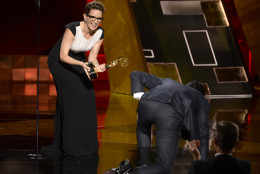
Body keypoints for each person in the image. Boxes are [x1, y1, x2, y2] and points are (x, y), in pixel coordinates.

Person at [105, 71, 211, 174]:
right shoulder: (200, 99)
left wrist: (141, 97)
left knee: (143, 127)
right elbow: (204, 137)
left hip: (145, 104)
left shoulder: (168, 81)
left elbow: (136, 74)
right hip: (168, 115)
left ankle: (143, 164)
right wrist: (203, 166)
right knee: (164, 166)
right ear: (203, 95)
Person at [42, 1, 106, 156]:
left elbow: (92, 58)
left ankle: (87, 144)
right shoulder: (72, 28)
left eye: (98, 19)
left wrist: (98, 66)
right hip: (58, 61)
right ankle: (70, 146)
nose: (95, 21)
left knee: (87, 93)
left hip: (79, 60)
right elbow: (63, 56)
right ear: (85, 16)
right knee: (72, 95)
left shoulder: (100, 33)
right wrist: (82, 64)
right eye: (92, 17)